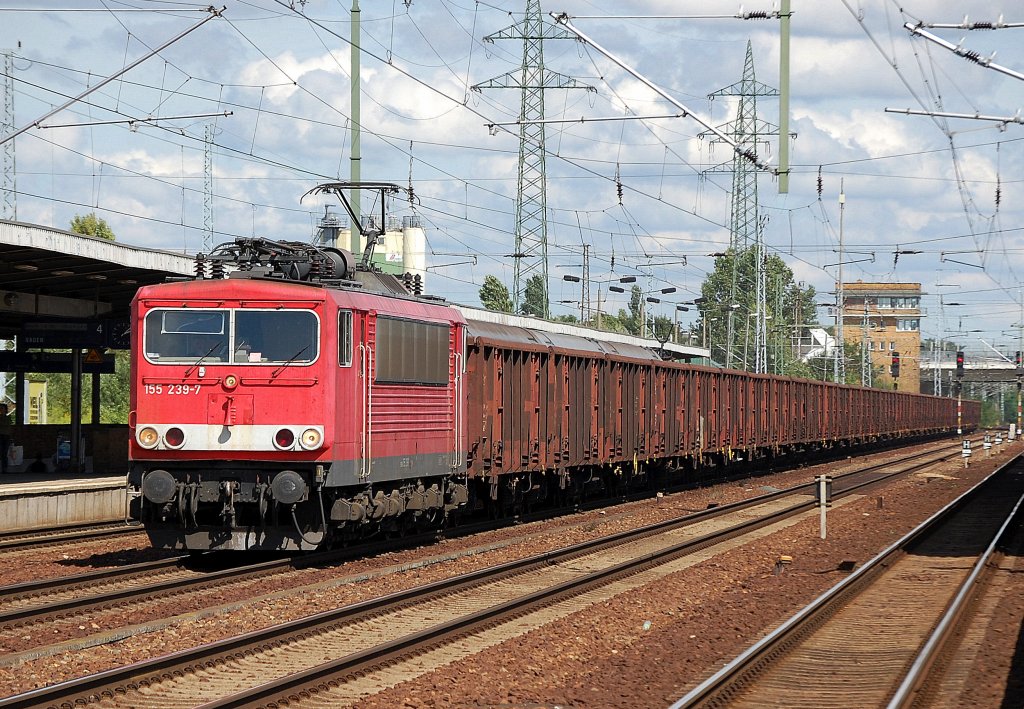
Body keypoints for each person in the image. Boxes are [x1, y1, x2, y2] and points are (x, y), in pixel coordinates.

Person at [0, 403, 11, 474]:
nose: (1, 410)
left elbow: (6, 425)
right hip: (1, 436)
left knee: (4, 453)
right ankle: (4, 468)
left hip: (6, 436)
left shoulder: (8, 418)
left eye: (2, 408)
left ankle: (4, 468)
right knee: (2, 452)